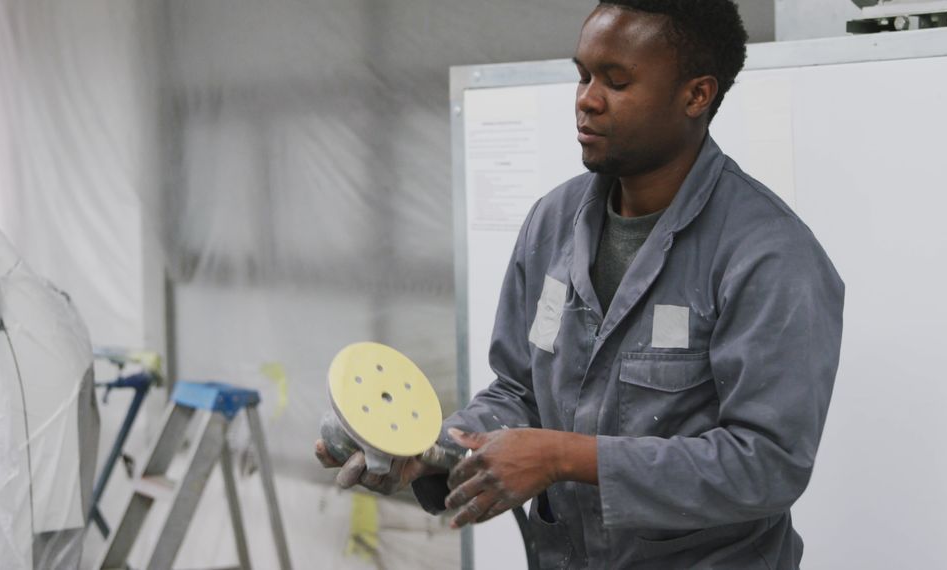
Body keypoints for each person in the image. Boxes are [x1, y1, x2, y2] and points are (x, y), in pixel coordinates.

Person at [315, 1, 844, 567]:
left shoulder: (768, 253)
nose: (587, 99)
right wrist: (431, 448)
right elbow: (518, 390)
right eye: (583, 75)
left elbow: (767, 464)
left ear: (697, 95)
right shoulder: (553, 222)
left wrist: (566, 458)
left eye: (616, 81)